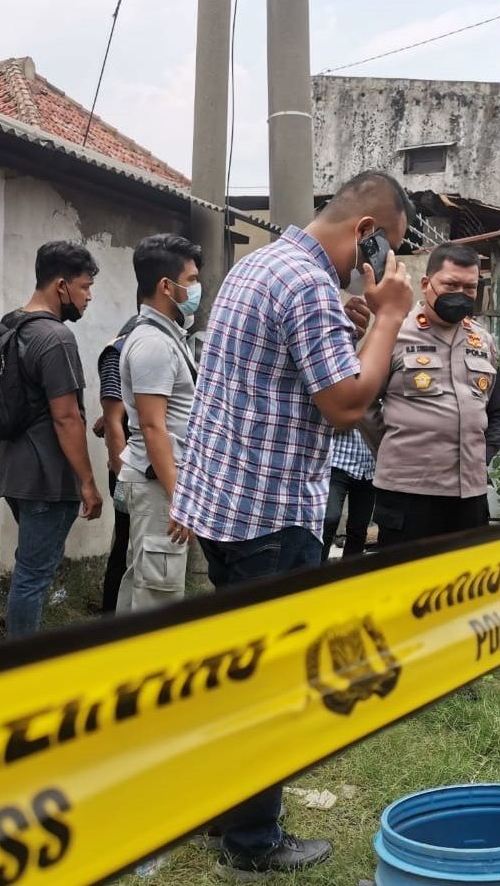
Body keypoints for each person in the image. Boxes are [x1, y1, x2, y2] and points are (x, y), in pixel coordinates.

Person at [170, 170, 416, 877]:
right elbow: (344, 405)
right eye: (384, 253)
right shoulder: (307, 285)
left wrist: (360, 329)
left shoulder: (260, 266)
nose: (379, 272)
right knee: (272, 688)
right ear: (365, 234)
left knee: (235, 675)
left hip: (226, 509)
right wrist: (392, 318)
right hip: (273, 516)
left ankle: (227, 806)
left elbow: (290, 378)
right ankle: (252, 841)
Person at [0, 241, 103, 638]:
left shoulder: (10, 325)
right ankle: (22, 670)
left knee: (30, 568)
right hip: (46, 477)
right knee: (33, 576)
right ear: (61, 286)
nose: (88, 296)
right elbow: (66, 416)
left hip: (12, 468)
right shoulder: (55, 338)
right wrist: (88, 481)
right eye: (85, 286)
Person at [366, 242, 500, 547]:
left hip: (469, 495)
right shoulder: (395, 332)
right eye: (451, 284)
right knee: (405, 588)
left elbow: (497, 409)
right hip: (408, 494)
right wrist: (394, 445)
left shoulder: (482, 340)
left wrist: (484, 454)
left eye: (470, 287)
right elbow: (365, 403)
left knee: (465, 589)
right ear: (426, 284)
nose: (461, 293)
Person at [116, 234, 202, 612]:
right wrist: (179, 499)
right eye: (193, 279)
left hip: (159, 482)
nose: (197, 288)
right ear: (167, 286)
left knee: (144, 584)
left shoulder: (168, 337)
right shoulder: (153, 343)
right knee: (158, 596)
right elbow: (154, 427)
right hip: (158, 485)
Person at [94, 314, 140, 615]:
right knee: (125, 546)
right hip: (129, 469)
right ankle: (111, 617)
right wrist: (122, 475)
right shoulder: (119, 352)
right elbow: (113, 418)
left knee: (135, 548)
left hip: (137, 466)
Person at [322, 429, 377, 561]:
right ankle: (317, 572)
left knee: (359, 529)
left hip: (369, 469)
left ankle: (350, 575)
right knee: (329, 519)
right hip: (339, 462)